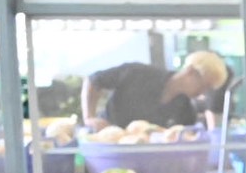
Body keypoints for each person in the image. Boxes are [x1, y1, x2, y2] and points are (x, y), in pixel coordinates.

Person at [81, 50, 228, 131]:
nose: (203, 93)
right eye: (204, 85)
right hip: (107, 147)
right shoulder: (137, 73)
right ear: (190, 72)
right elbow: (94, 81)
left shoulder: (185, 113)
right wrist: (89, 117)